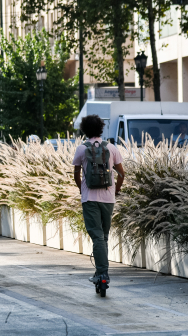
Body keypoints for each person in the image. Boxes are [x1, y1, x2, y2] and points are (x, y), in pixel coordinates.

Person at [72, 115, 125, 284]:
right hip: (108, 199)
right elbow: (122, 174)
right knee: (104, 236)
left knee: (97, 236)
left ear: (85, 130)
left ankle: (102, 273)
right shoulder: (112, 148)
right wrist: (116, 190)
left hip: (90, 198)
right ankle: (102, 272)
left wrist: (83, 190)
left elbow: (76, 174)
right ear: (101, 129)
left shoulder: (81, 149)